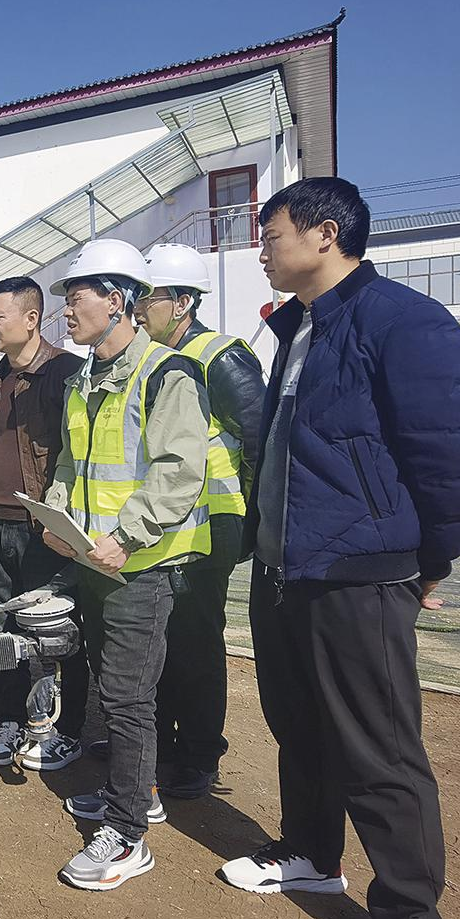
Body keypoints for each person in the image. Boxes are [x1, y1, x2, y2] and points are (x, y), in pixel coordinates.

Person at [220, 178, 460, 919]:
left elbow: (451, 464)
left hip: (360, 577)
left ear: (325, 234)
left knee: (379, 752)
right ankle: (310, 852)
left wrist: (426, 563)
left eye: (271, 235)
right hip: (286, 571)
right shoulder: (296, 327)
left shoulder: (403, 322)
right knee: (298, 724)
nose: (260, 249)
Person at [41, 238, 210, 891]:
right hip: (94, 560)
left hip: (142, 565)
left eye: (75, 298)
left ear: (116, 301)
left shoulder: (166, 374)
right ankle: (130, 794)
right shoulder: (84, 379)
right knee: (117, 691)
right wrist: (57, 513)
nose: (67, 312)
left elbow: (177, 473)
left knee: (127, 696)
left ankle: (128, 833)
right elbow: (69, 466)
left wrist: (126, 534)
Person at [132, 243, 267, 798]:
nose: (140, 308)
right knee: (158, 637)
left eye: (150, 297)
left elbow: (262, 441)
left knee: (196, 641)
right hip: (171, 522)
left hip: (214, 522)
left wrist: (254, 526)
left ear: (183, 301)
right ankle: (159, 742)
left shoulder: (220, 356)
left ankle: (200, 754)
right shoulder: (153, 359)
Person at [0, 275, 86, 770]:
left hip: (46, 531)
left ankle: (65, 728)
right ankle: (11, 718)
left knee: (57, 633)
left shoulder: (68, 375)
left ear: (32, 318)